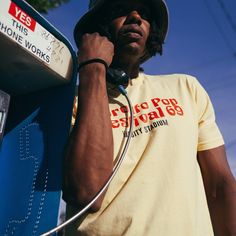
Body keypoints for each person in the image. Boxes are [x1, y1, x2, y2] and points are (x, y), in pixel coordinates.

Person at [63, 0, 236, 235]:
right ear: (99, 28)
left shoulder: (186, 88)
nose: (135, 17)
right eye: (123, 8)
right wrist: (93, 68)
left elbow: (219, 187)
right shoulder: (70, 103)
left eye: (144, 14)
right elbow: (86, 192)